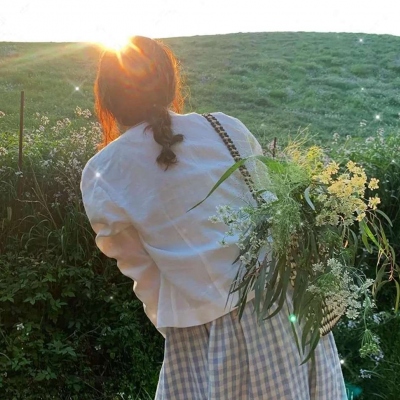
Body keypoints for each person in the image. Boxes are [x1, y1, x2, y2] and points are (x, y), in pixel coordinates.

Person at [80, 36, 347, 399]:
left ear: (108, 98)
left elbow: (143, 272)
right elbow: (271, 211)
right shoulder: (226, 127)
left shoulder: (103, 172)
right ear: (169, 83)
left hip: (201, 338)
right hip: (286, 313)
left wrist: (188, 313)